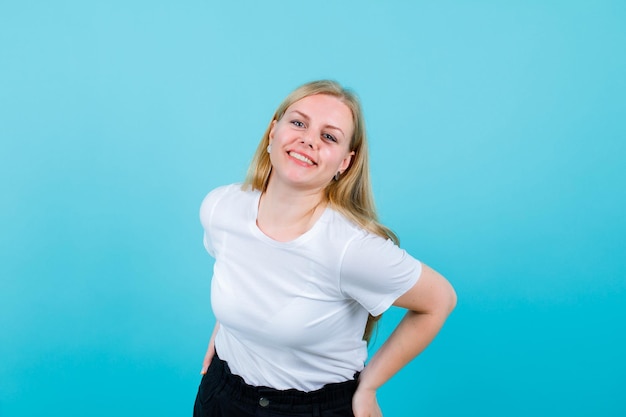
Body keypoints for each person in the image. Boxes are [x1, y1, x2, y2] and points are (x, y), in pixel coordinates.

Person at [194, 80, 457, 417]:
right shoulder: (221, 207)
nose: (308, 139)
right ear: (273, 132)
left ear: (345, 163)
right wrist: (228, 331)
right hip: (221, 395)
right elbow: (241, 273)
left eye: (329, 136)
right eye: (298, 123)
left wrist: (369, 387)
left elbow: (440, 300)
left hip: (310, 409)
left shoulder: (351, 249)